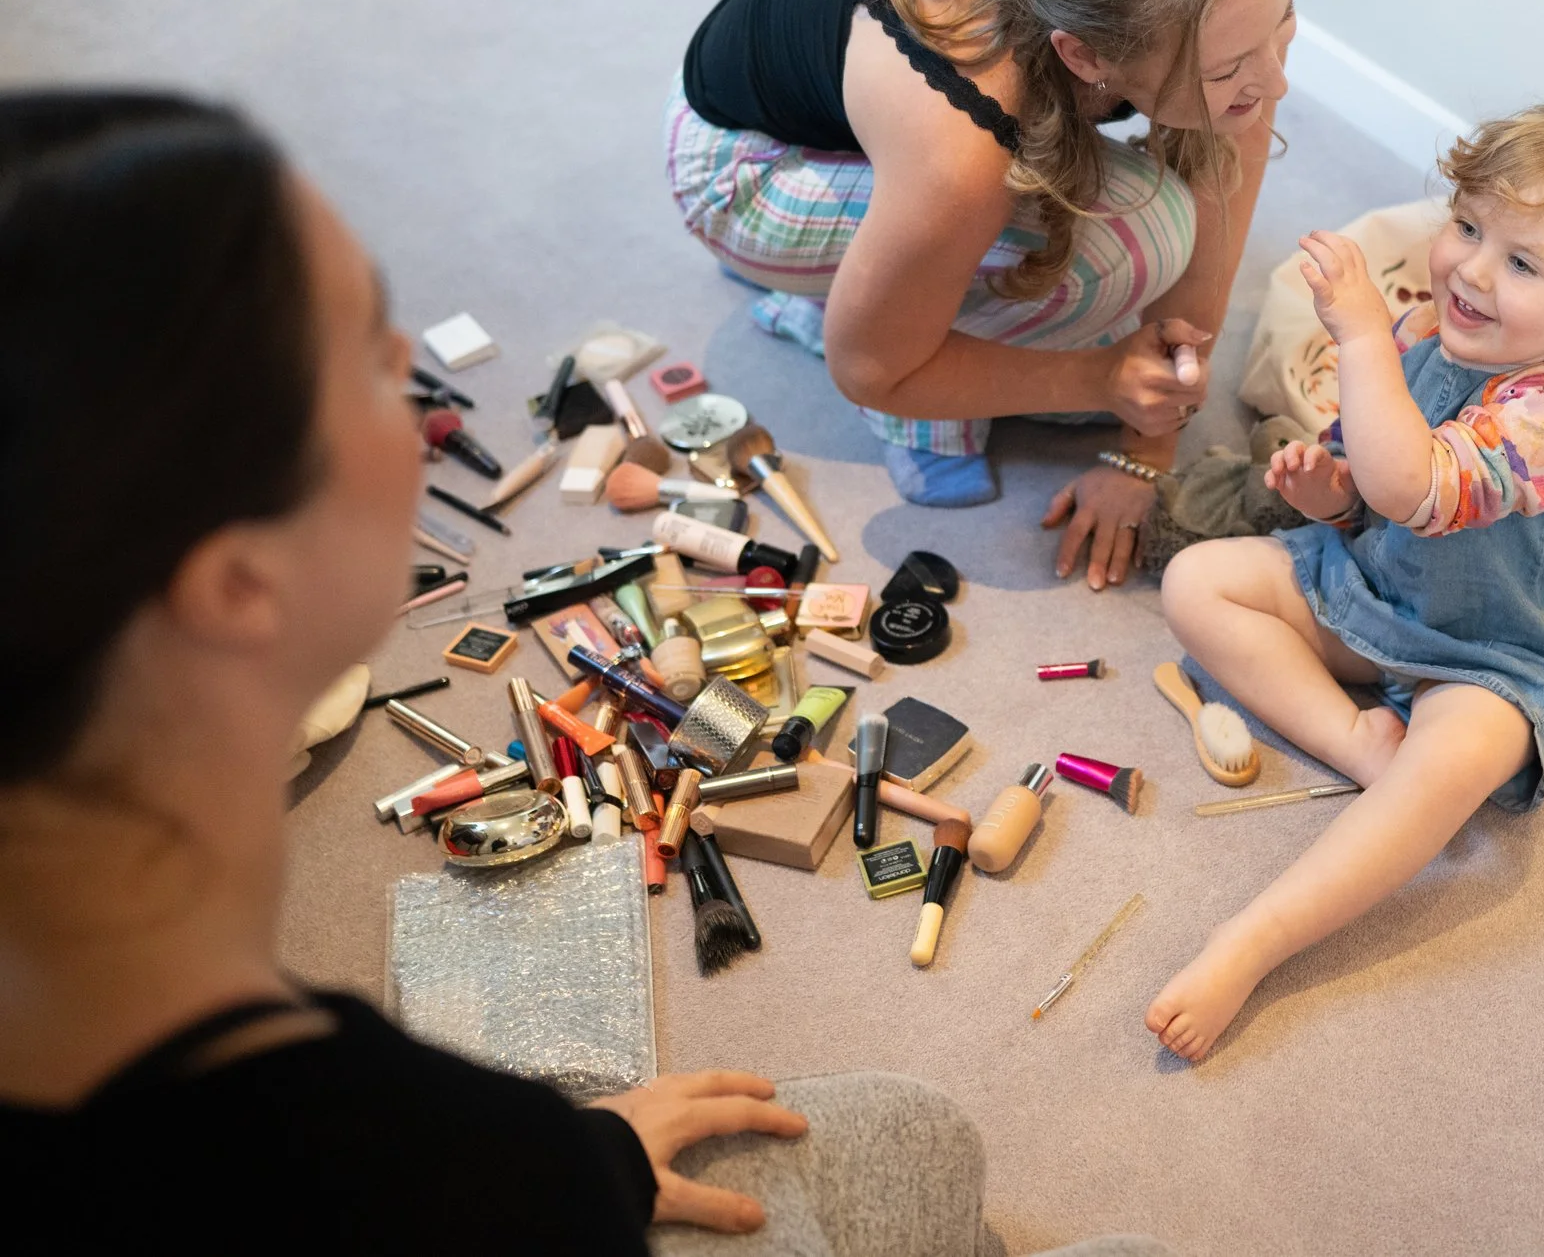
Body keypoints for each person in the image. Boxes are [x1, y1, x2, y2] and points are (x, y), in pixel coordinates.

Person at [0, 92, 1168, 1256]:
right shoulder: (406, 1154)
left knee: (919, 1134)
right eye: (366, 353)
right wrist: (565, 1168)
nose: (415, 369)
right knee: (987, 1169)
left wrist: (591, 1150)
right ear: (237, 585)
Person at [1147, 101, 1544, 1061]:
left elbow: (1420, 484)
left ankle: (1255, 939)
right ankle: (1358, 742)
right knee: (1197, 579)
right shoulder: (1424, 331)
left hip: (1495, 656)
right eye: (1469, 227)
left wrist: (1359, 340)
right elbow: (1377, 492)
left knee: (1455, 761)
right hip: (1375, 589)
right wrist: (1329, 499)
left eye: (1522, 263)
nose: (1472, 271)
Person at [669, 0, 1298, 590]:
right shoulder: (963, 139)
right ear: (1086, 56)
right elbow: (866, 367)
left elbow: (1224, 158)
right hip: (740, 170)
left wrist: (1152, 437)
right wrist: (1101, 381)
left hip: (878, 133)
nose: (1276, 81)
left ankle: (894, 274)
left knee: (1166, 195)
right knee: (1139, 238)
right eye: (1233, 65)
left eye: (1283, 26)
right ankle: (894, 363)